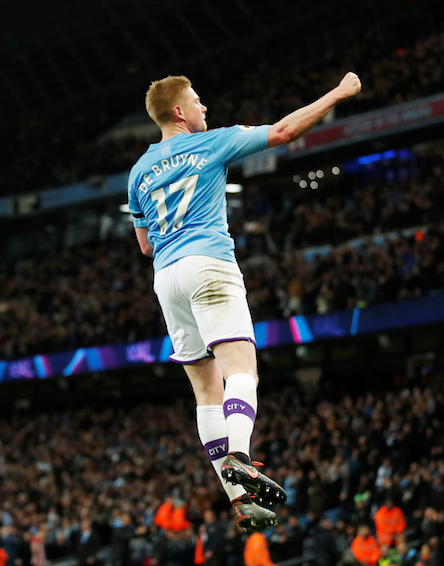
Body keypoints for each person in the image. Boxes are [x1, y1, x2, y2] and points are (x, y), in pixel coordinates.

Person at [127, 71, 362, 532]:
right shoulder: (212, 143)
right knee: (241, 369)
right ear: (179, 111)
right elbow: (285, 131)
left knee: (205, 391)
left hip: (166, 278)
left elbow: (144, 245)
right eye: (197, 101)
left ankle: (238, 498)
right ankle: (240, 457)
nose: (204, 108)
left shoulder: (138, 171)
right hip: (208, 263)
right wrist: (339, 92)